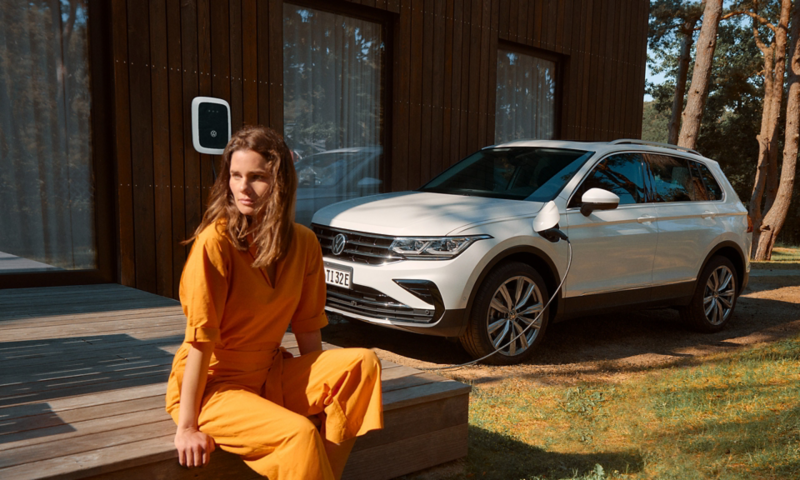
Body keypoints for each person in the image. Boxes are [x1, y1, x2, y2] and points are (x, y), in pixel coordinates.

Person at [165, 125, 383, 480]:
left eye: (257, 177)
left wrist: (315, 396)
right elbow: (200, 341)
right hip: (215, 388)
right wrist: (187, 427)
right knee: (299, 434)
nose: (242, 188)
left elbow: (309, 327)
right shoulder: (214, 243)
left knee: (362, 364)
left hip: (270, 374)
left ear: (281, 182)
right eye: (235, 176)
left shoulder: (304, 243)